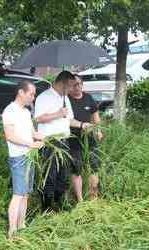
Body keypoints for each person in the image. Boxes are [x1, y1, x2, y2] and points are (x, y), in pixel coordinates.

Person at [34, 71, 91, 211]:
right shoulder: (44, 97)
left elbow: (69, 119)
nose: (72, 89)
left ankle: (58, 207)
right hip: (50, 143)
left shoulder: (64, 98)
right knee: (50, 177)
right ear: (63, 83)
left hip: (64, 141)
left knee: (63, 178)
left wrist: (83, 125)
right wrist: (58, 113)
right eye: (71, 85)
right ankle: (46, 210)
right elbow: (38, 118)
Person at [2, 80, 44, 238]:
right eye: (31, 94)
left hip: (29, 155)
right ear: (21, 92)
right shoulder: (9, 111)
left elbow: (33, 132)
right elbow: (10, 136)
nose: (33, 97)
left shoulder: (26, 112)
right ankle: (12, 232)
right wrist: (30, 144)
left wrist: (41, 137)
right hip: (18, 157)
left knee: (25, 193)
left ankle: (22, 225)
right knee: (18, 194)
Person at [68, 74, 103, 202]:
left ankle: (94, 197)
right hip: (74, 141)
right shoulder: (66, 100)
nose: (77, 87)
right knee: (76, 170)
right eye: (73, 85)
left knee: (94, 167)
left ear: (82, 84)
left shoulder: (89, 98)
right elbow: (67, 120)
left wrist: (98, 130)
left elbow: (95, 116)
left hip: (90, 140)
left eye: (79, 84)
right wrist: (82, 125)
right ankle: (80, 200)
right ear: (69, 86)